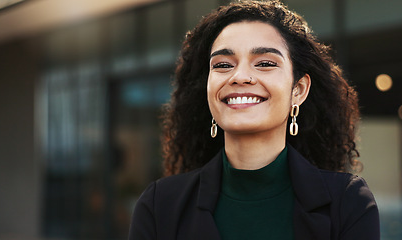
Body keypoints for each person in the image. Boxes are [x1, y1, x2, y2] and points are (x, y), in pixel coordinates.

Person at [129, 1, 380, 239]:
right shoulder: (159, 205)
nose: (240, 76)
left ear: (299, 90)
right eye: (223, 65)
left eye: (265, 63)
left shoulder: (347, 202)